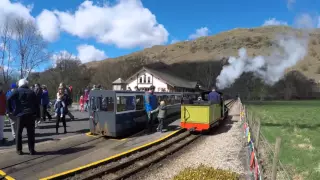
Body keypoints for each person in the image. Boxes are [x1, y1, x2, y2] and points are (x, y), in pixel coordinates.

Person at [7, 79, 38, 155]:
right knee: (31, 133)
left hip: (20, 114)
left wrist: (10, 109)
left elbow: (8, 99)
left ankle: (19, 150)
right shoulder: (31, 91)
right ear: (27, 84)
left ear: (20, 84)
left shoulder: (17, 91)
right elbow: (37, 104)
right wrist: (37, 115)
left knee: (18, 133)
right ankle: (31, 150)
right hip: (30, 114)